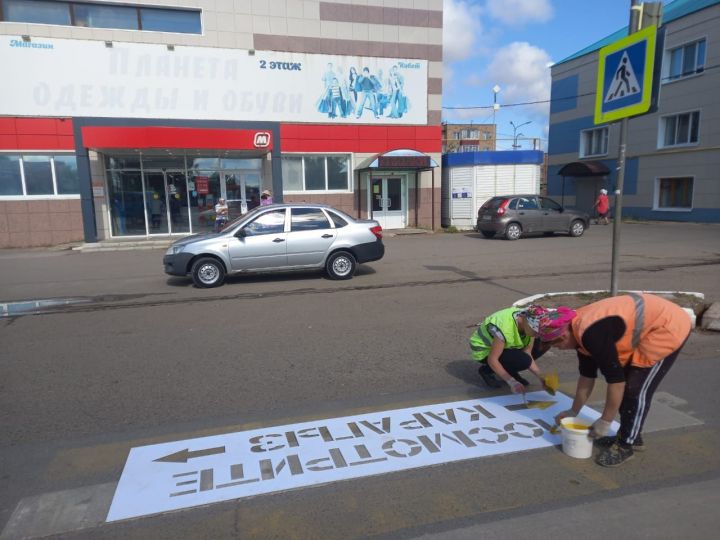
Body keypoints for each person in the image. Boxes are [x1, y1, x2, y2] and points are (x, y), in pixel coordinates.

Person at [537, 293, 692, 467]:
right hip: (647, 323)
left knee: (635, 389)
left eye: (556, 345)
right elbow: (587, 377)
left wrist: (605, 420)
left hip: (667, 326)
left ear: (564, 336)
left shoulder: (591, 335)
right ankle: (629, 434)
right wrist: (574, 411)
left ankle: (626, 445)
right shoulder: (578, 335)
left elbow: (616, 382)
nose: (558, 349)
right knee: (628, 382)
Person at [469, 305, 554, 394]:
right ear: (528, 324)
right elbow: (492, 359)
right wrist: (512, 382)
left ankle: (510, 369)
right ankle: (487, 371)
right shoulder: (505, 328)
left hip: (506, 346)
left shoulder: (528, 323)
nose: (537, 334)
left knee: (542, 344)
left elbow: (527, 352)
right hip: (484, 350)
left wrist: (541, 376)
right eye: (536, 331)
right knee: (523, 361)